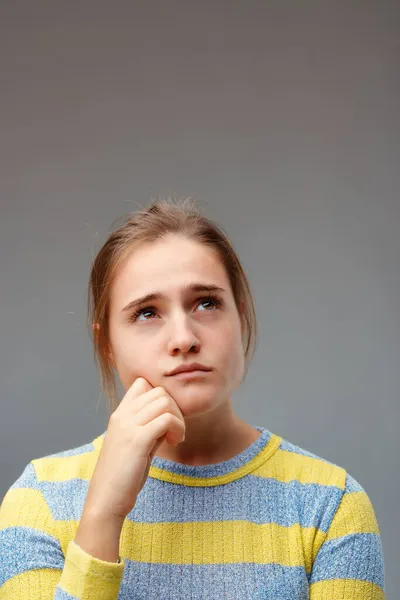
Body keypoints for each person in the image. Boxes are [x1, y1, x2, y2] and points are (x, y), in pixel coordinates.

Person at [0, 197, 385, 599]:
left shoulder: (332, 505)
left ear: (242, 317)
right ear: (107, 344)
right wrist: (101, 515)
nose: (184, 338)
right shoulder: (38, 501)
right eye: (147, 312)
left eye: (206, 303)